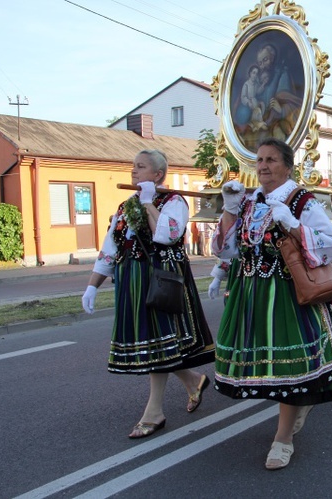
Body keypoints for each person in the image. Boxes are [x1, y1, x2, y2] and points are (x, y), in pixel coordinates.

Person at [212, 138, 332, 470]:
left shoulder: (301, 200)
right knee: (268, 367)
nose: (262, 166)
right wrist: (230, 210)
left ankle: (283, 438)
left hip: (288, 295)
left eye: (271, 160)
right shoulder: (248, 201)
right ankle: (294, 414)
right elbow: (229, 249)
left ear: (287, 165)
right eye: (259, 160)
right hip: (251, 295)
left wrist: (292, 224)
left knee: (289, 368)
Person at [80, 150, 214, 439]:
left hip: (160, 280)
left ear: (158, 175)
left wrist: (149, 203)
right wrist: (93, 284)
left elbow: (166, 235)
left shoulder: (174, 201)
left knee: (159, 342)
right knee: (156, 343)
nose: (134, 171)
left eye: (141, 167)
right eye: (133, 166)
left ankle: (154, 412)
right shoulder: (124, 206)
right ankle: (193, 381)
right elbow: (110, 248)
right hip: (132, 281)